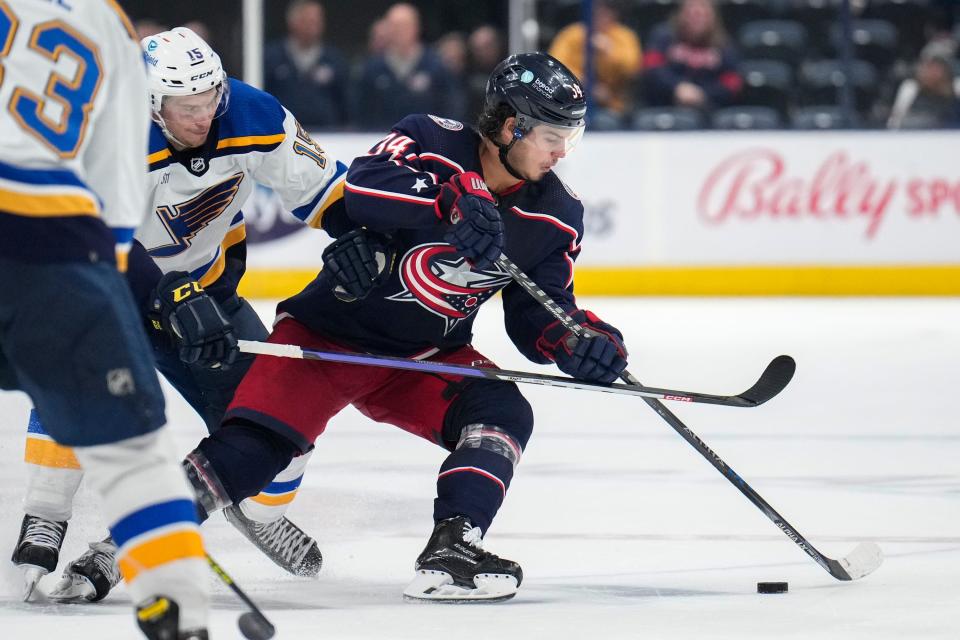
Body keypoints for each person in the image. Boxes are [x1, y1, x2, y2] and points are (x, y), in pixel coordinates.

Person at [178, 52, 629, 602]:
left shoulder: (556, 214)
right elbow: (364, 187)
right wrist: (450, 201)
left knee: (502, 411)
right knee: (253, 451)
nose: (561, 154)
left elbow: (538, 313)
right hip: (326, 340)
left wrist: (578, 341)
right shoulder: (429, 139)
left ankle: (453, 546)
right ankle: (120, 545)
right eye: (554, 136)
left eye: (571, 140)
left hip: (424, 358)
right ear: (512, 125)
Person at [12, 26, 348, 603]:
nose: (202, 116)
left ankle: (217, 521)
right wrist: (166, 295)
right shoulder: (110, 135)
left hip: (209, 297)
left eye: (209, 99)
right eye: (185, 106)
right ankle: (45, 515)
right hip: (110, 295)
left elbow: (326, 192)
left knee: (280, 415)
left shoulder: (251, 112)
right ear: (150, 103)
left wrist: (363, 238)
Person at [0, 2, 208, 638]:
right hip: (53, 241)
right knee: (132, 443)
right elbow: (116, 186)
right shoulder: (111, 25)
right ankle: (176, 608)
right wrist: (104, 292)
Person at [354, 2, 464, 128]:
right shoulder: (372, 69)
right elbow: (361, 111)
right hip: (383, 140)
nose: (399, 31)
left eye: (404, 26)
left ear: (416, 27)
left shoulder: (436, 66)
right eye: (394, 26)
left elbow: (451, 107)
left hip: (426, 141)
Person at [549, 0, 643, 129]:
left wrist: (609, 52)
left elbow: (632, 69)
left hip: (614, 106)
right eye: (597, 12)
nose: (601, 16)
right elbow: (555, 67)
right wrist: (587, 85)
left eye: (605, 12)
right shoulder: (571, 35)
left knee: (606, 122)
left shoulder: (624, 36)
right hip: (572, 102)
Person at [641, 0, 742, 112]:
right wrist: (677, 87)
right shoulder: (663, 37)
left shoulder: (724, 45)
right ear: (681, 13)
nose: (696, 16)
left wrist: (702, 93)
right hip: (664, 106)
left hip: (709, 111)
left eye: (702, 12)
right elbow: (651, 68)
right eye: (691, 11)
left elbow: (733, 81)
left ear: (713, 16)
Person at [263, 0, 349, 129]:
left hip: (328, 137)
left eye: (317, 21)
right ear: (293, 22)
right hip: (282, 134)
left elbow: (345, 103)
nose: (314, 26)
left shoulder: (334, 59)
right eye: (308, 21)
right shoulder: (272, 57)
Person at [887, 39, 960, 129]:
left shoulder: (956, 86)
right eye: (929, 65)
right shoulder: (911, 88)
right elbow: (895, 120)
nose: (933, 70)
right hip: (919, 135)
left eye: (938, 65)